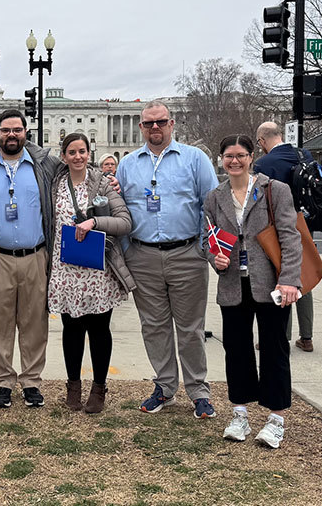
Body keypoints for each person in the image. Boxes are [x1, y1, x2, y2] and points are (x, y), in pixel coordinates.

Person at [116, 100, 219, 418]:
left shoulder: (194, 159)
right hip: (143, 256)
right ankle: (164, 386)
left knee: (191, 328)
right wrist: (127, 250)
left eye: (161, 121)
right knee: (154, 326)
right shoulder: (128, 165)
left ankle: (198, 390)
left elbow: (211, 206)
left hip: (187, 254)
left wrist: (203, 248)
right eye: (149, 123)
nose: (155, 128)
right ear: (141, 127)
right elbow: (120, 209)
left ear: (172, 124)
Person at [204, 134, 302, 449]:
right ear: (221, 159)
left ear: (251, 157)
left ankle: (276, 418)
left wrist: (289, 279)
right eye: (229, 156)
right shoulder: (214, 197)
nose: (234, 161)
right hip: (233, 283)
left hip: (271, 282)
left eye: (241, 155)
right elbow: (207, 238)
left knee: (274, 349)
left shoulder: (275, 190)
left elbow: (290, 237)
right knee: (237, 349)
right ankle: (240, 413)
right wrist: (215, 258)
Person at [0, 109, 58, 409]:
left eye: (17, 130)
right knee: (0, 322)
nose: (12, 135)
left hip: (35, 255)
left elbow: (77, 176)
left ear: (25, 132)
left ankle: (31, 381)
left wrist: (108, 184)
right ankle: (4, 381)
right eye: (6, 130)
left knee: (35, 323)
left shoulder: (44, 165)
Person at [46, 133, 133, 414]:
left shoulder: (102, 183)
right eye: (72, 152)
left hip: (97, 269)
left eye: (82, 151)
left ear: (89, 153)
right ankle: (73, 385)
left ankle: (98, 387)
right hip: (65, 267)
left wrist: (94, 221)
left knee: (98, 329)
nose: (78, 157)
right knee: (71, 328)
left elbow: (125, 222)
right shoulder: (55, 183)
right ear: (63, 156)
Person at [252, 121, 316, 352]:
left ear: (262, 141)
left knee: (281, 277)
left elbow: (258, 199)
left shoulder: (264, 164)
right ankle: (306, 337)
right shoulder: (304, 155)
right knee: (302, 277)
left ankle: (281, 334)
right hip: (304, 224)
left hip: (276, 228)